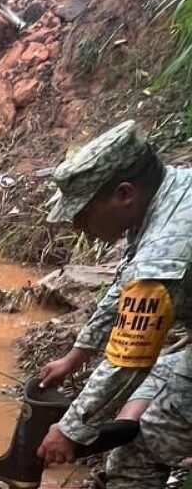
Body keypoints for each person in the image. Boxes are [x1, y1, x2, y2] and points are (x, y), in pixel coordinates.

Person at [27, 121, 191, 488]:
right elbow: (122, 290)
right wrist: (75, 356)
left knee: (137, 452)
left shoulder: (168, 246)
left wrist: (70, 430)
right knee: (151, 391)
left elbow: (127, 361)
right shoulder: (170, 192)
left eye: (82, 214)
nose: (79, 226)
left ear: (124, 194)